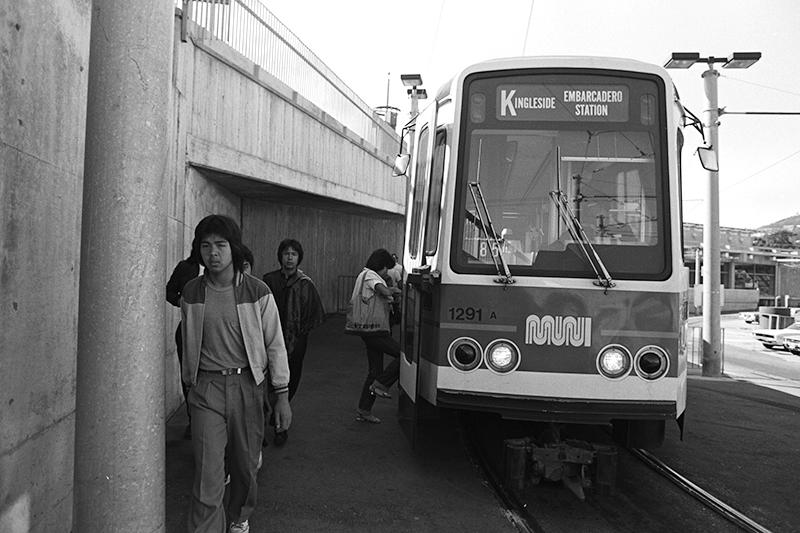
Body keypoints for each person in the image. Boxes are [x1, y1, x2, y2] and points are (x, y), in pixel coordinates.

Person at [181, 214, 291, 533]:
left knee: (245, 470)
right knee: (207, 476)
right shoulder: (191, 292)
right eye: (205, 246)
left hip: (247, 386)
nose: (212, 253)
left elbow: (275, 344)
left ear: (234, 249)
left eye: (220, 245)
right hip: (206, 389)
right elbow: (186, 341)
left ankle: (239, 518)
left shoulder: (257, 291)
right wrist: (190, 384)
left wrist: (282, 395)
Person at [262, 238, 325, 446]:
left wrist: (297, 333)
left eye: (294, 254)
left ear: (299, 258)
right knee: (267, 381)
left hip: (295, 342)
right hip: (268, 339)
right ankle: (269, 424)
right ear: (280, 256)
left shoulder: (306, 284)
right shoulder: (268, 280)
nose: (289, 257)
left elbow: (315, 314)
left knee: (291, 381)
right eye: (286, 253)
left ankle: (281, 424)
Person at [353, 248, 402, 424]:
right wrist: (396, 291)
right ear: (381, 266)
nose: (386, 272)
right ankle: (381, 384)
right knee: (403, 355)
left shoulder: (363, 275)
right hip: (375, 330)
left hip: (368, 329)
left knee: (375, 370)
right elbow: (384, 291)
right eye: (386, 269)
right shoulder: (371, 275)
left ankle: (364, 410)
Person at [166, 246, 202, 438]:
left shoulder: (223, 269)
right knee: (189, 375)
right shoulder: (186, 267)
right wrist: (181, 302)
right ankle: (193, 417)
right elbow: (169, 291)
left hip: (217, 330)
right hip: (188, 329)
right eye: (204, 244)